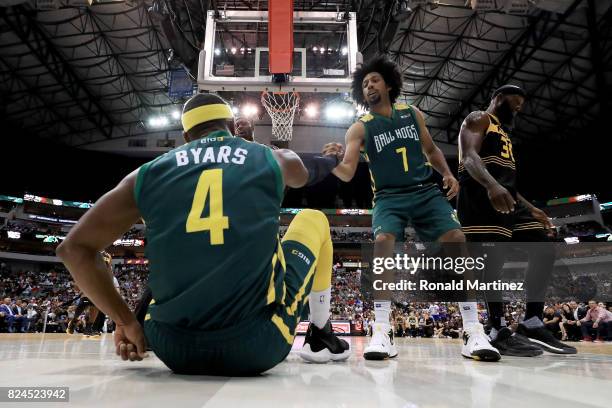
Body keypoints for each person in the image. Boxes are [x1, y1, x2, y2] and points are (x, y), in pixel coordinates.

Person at [57, 93, 349, 375]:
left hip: (173, 348)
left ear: (186, 137)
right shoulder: (273, 158)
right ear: (233, 128)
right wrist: (332, 158)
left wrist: (125, 320)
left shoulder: (147, 173)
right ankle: (321, 334)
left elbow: (73, 249)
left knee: (175, 252)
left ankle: (142, 328)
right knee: (313, 218)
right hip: (256, 345)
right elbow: (311, 171)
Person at [323, 56, 498, 361]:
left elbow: (431, 150)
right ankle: (381, 329)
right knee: (382, 242)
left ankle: (473, 328)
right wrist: (333, 162)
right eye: (364, 84)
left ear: (389, 84)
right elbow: (348, 171)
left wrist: (446, 173)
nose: (369, 86)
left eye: (374, 80)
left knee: (457, 240)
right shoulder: (359, 128)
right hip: (389, 197)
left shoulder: (412, 113)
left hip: (425, 192)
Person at [457, 84, 575, 356]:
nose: (519, 107)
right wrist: (491, 186)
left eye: (522, 104)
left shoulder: (504, 132)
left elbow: (506, 182)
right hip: (479, 197)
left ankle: (532, 321)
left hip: (505, 198)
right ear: (498, 98)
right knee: (492, 264)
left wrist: (531, 208)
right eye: (515, 101)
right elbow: (469, 157)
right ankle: (497, 329)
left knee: (544, 244)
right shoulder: (478, 118)